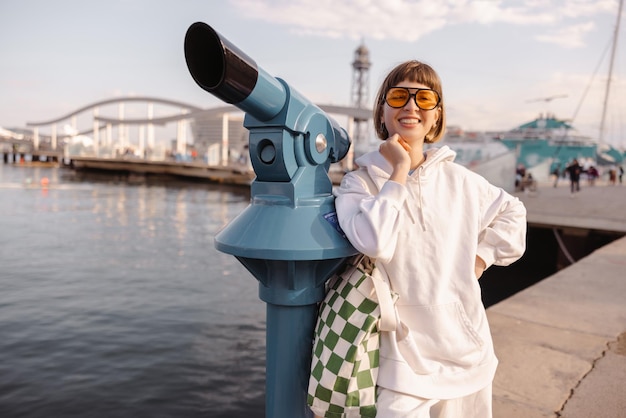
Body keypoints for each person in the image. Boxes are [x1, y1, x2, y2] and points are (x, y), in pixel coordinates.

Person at [334, 60, 527, 418]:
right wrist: (399, 172)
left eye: (424, 99)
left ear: (437, 116)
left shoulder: (462, 181)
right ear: (382, 111)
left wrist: (481, 258)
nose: (411, 106)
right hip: (400, 362)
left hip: (467, 351)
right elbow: (374, 241)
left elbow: (514, 213)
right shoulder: (358, 184)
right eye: (399, 96)